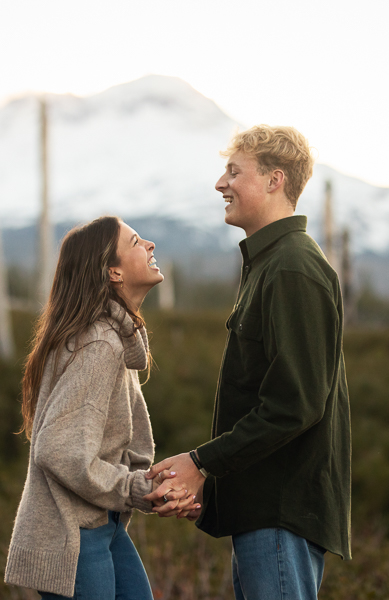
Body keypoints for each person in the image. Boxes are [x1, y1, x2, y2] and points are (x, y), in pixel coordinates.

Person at [145, 125, 352, 599]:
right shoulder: (272, 264)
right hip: (263, 513)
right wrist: (213, 489)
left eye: (234, 172)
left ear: (275, 180)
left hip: (278, 518)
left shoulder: (293, 268)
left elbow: (294, 406)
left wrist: (201, 462)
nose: (221, 183)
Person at [5, 216, 197, 600]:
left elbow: (117, 449)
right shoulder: (99, 345)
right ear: (113, 271)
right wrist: (134, 487)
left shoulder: (109, 340)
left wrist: (155, 488)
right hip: (72, 533)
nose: (150, 246)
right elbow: (57, 449)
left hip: (100, 524)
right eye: (136, 241)